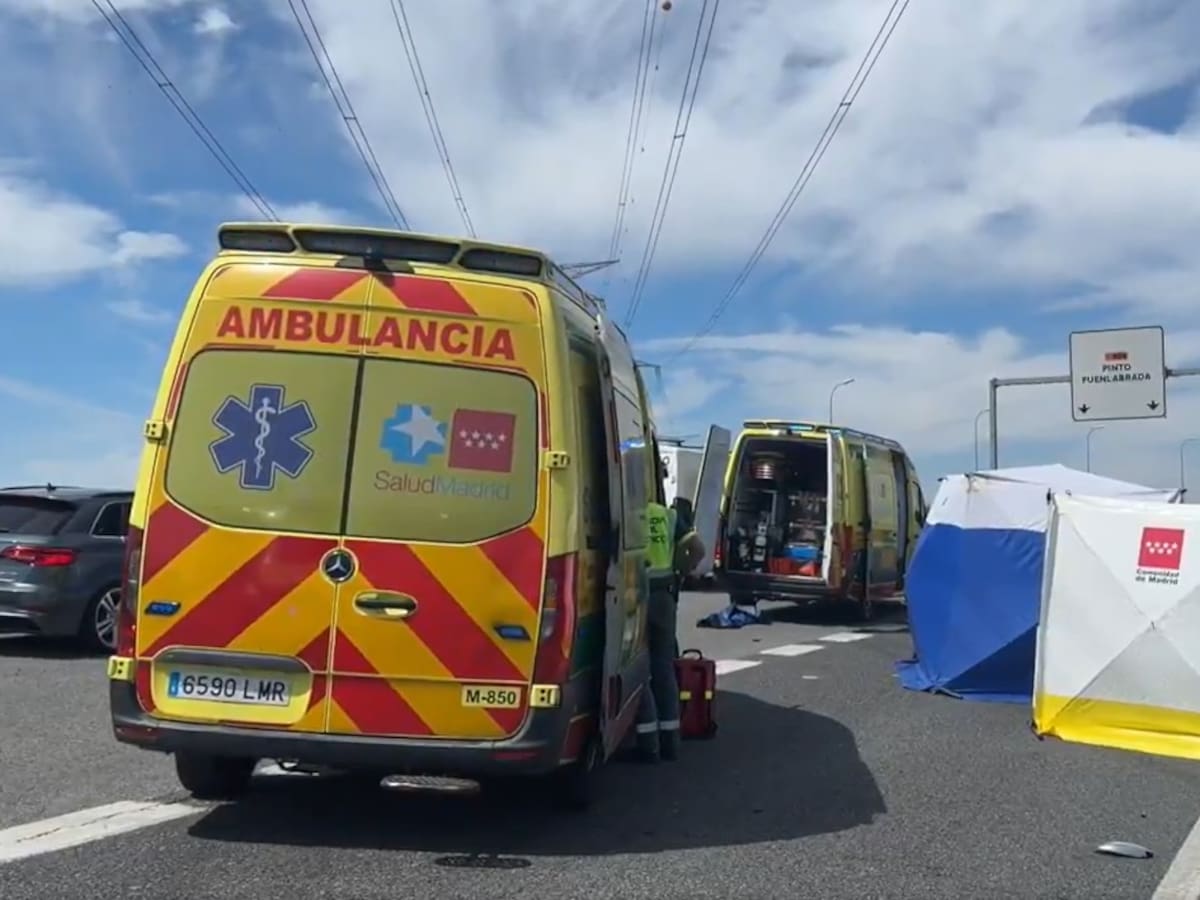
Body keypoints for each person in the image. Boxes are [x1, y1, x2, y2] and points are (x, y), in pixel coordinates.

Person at [634, 449, 706, 762]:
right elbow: (698, 549)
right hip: (665, 596)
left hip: (636, 596)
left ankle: (647, 745)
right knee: (663, 666)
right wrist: (680, 569)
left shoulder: (630, 512)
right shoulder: (668, 515)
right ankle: (671, 742)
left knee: (637, 668)